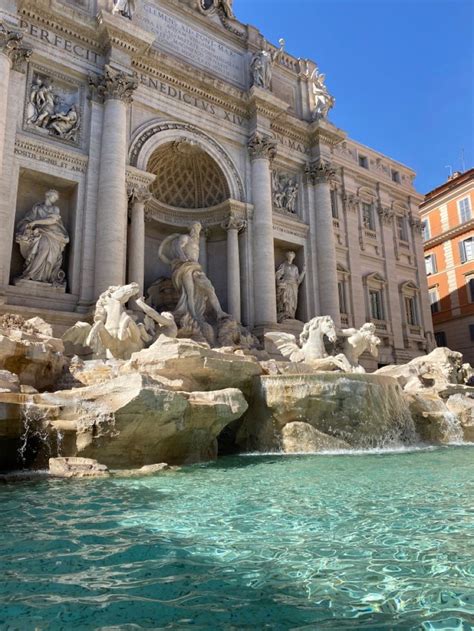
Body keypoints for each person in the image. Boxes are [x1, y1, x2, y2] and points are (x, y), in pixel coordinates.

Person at [158, 222, 227, 324]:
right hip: (185, 267)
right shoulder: (185, 237)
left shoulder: (196, 242)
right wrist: (182, 256)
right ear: (191, 229)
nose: (196, 230)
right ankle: (193, 316)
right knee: (189, 292)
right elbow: (178, 246)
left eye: (198, 228)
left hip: (196, 268)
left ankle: (220, 312)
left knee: (210, 288)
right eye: (195, 228)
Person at [15, 190, 69, 286]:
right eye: (54, 197)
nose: (55, 199)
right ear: (48, 195)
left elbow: (52, 220)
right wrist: (28, 227)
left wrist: (36, 223)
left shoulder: (55, 209)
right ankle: (31, 274)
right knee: (41, 248)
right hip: (39, 232)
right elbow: (28, 220)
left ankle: (39, 276)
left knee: (45, 248)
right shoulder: (37, 208)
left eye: (56, 198)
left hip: (53, 235)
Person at [275, 251, 305, 322]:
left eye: (292, 256)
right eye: (289, 256)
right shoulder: (284, 265)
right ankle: (285, 314)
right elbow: (278, 275)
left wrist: (303, 271)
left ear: (293, 257)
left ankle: (291, 315)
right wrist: (279, 281)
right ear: (287, 256)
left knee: (292, 301)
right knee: (285, 299)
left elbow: (298, 280)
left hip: (294, 285)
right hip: (286, 284)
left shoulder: (295, 267)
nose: (290, 257)